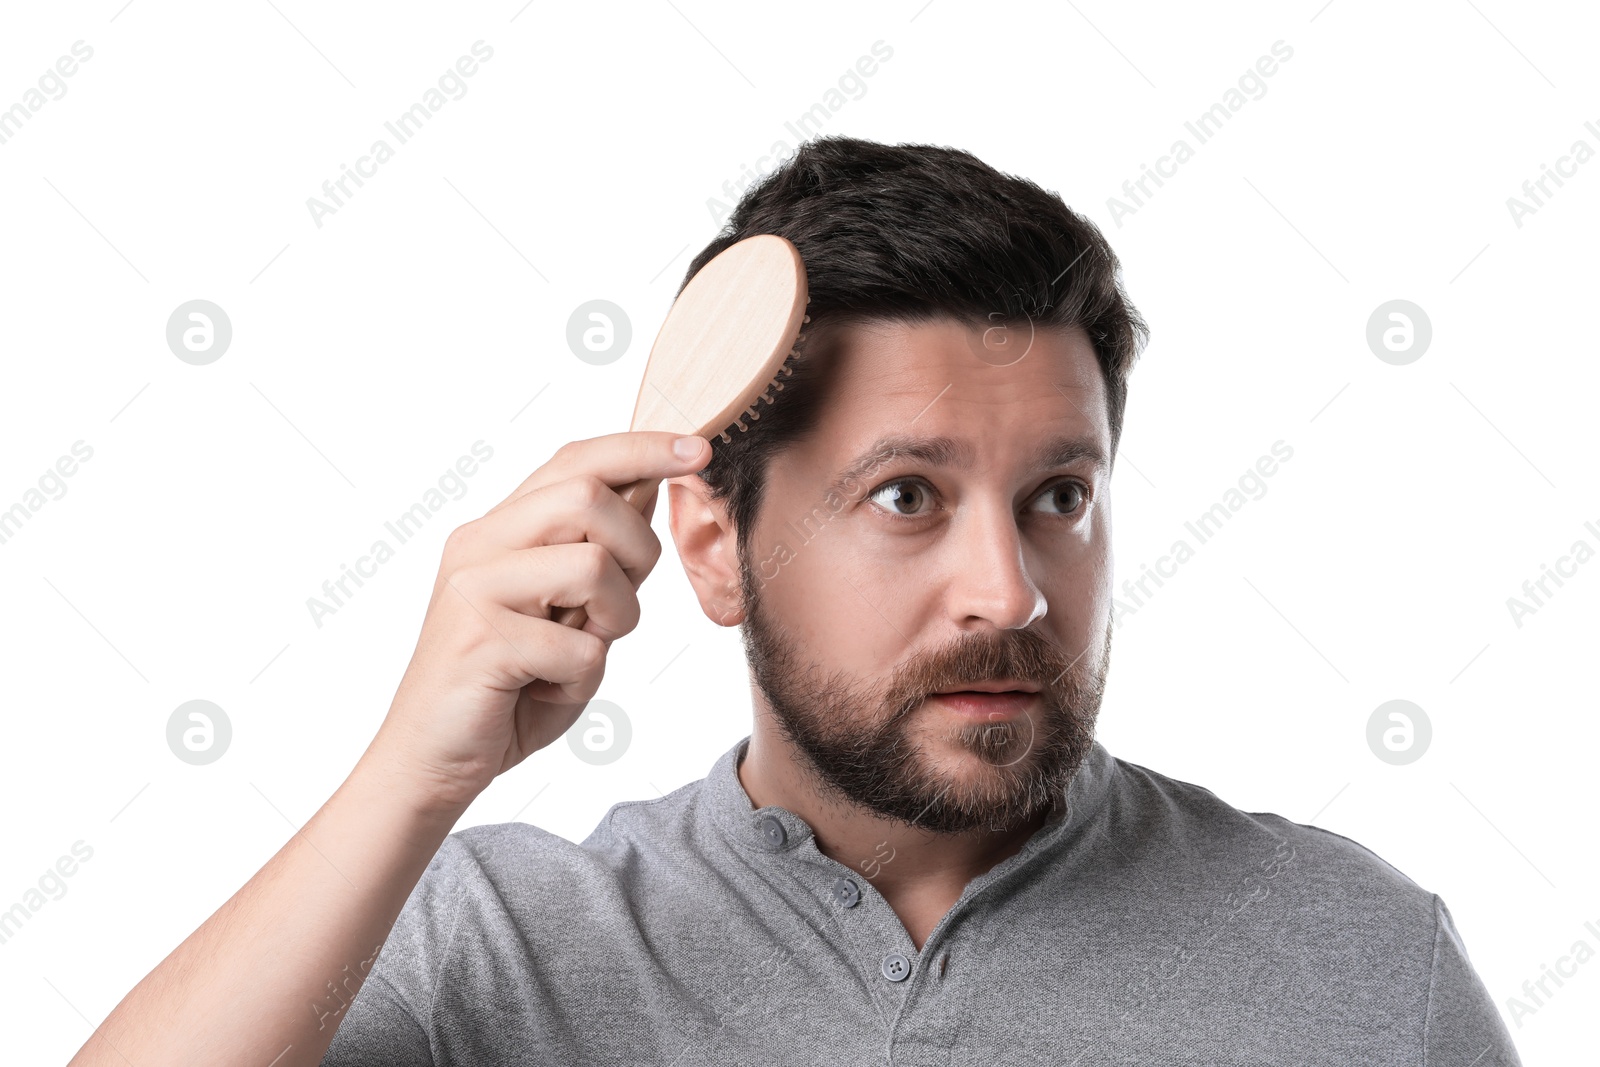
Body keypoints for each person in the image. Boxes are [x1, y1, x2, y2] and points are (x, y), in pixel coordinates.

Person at [70, 136, 1522, 1066]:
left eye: (1058, 497)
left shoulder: (1360, 962)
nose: (1008, 589)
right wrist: (409, 775)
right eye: (907, 497)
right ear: (710, 544)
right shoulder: (495, 953)